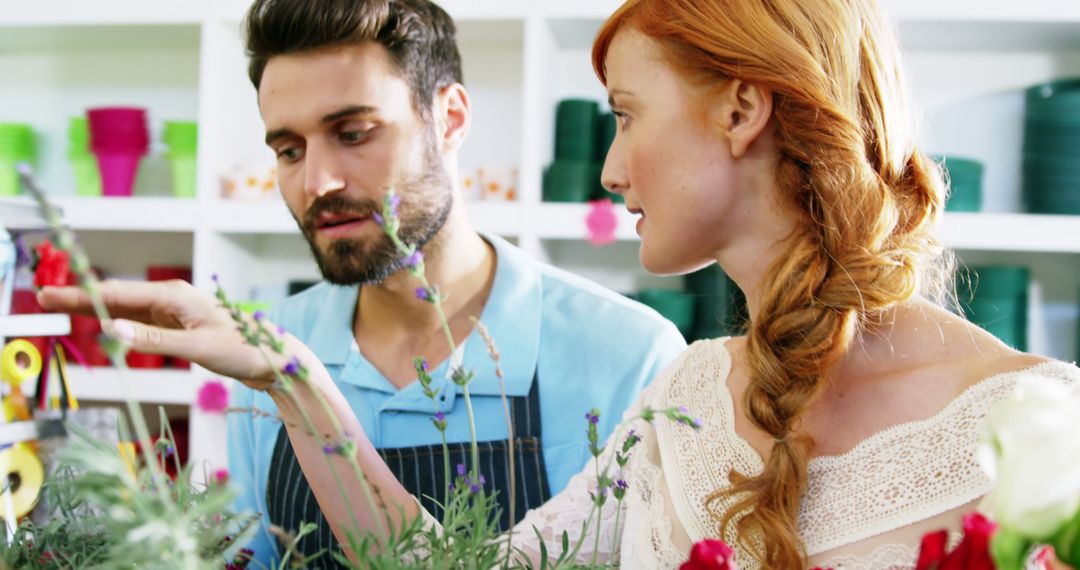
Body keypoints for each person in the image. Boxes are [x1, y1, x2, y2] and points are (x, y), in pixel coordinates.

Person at [39, 0, 1080, 568]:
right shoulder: (688, 399)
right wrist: (290, 377)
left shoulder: (1043, 432)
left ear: (742, 110)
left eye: (624, 115)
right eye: (285, 145)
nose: (610, 170)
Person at [79, 0, 688, 566]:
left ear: (449, 118)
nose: (317, 180)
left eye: (353, 134)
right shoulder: (268, 346)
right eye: (289, 150)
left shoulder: (630, 357)